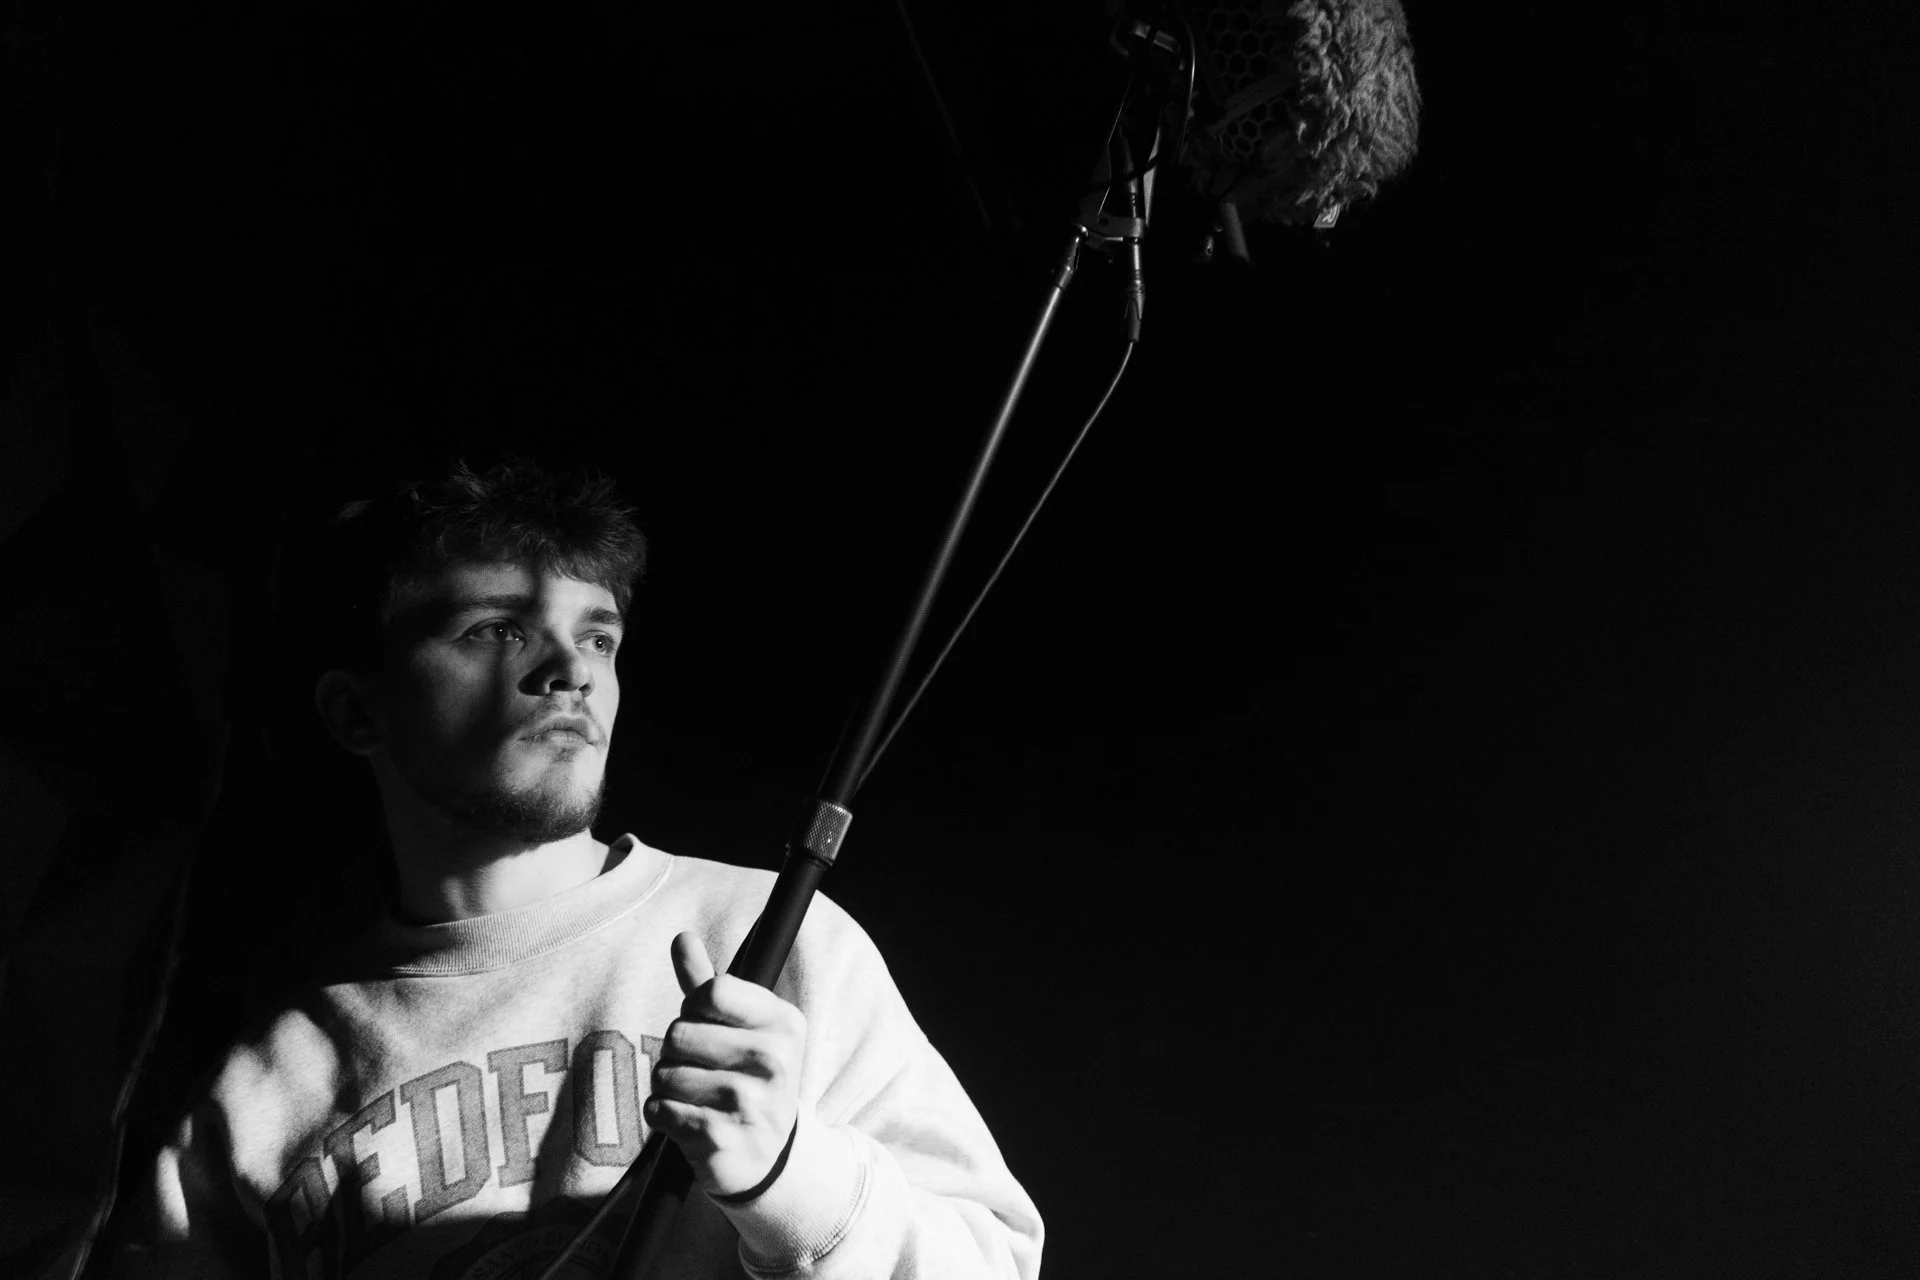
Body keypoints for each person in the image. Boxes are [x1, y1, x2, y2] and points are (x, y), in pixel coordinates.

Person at [111, 457, 1043, 1279]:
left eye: (597, 635)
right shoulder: (260, 1098)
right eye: (496, 628)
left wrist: (789, 1173)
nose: (571, 670)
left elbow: (994, 1262)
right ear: (359, 713)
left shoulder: (766, 939)